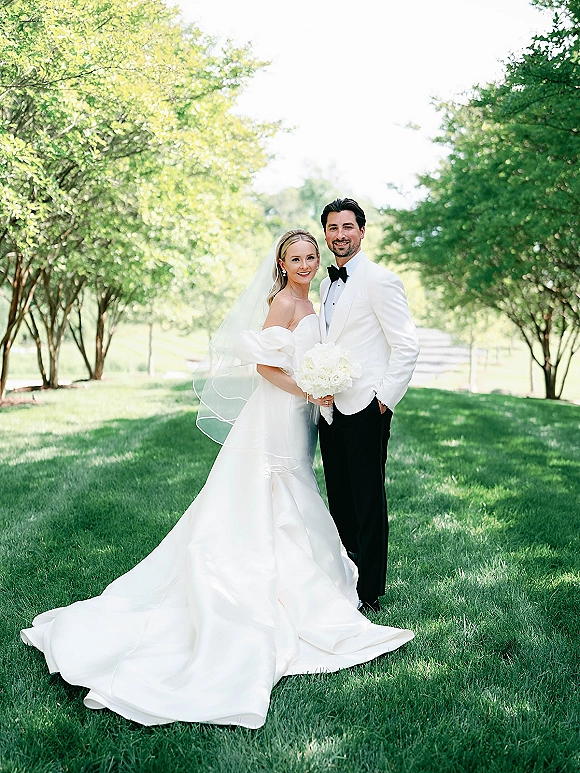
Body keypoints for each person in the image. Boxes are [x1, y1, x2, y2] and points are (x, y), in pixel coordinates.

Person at [20, 230, 413, 730]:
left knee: (297, 488)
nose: (308, 262)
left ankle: (320, 580)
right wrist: (310, 388)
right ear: (281, 262)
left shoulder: (310, 297)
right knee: (275, 490)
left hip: (300, 415)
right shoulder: (283, 303)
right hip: (281, 409)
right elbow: (266, 366)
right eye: (297, 257)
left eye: (312, 256)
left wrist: (318, 387)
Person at [318, 199, 419, 614]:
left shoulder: (381, 280)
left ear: (362, 231)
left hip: (366, 407)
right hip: (329, 409)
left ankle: (370, 592)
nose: (339, 234)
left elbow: (406, 345)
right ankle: (347, 577)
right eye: (332, 228)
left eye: (347, 227)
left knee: (368, 500)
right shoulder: (325, 285)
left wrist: (383, 401)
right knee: (339, 497)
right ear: (325, 233)